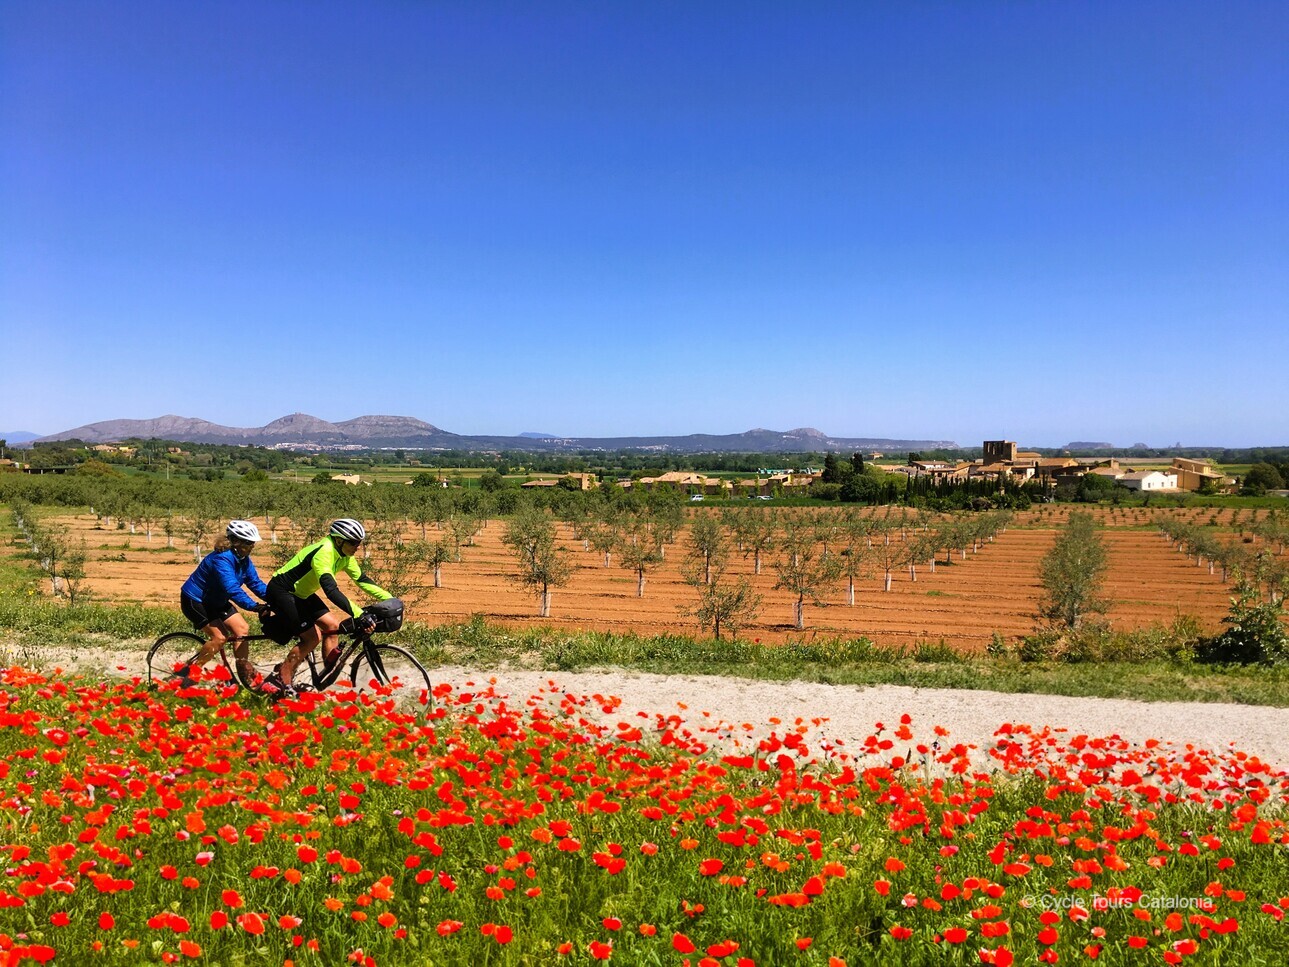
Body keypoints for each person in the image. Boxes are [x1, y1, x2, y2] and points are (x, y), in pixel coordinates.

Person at [260, 518, 392, 698]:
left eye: (360, 542)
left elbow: (362, 580)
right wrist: (359, 614)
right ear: (339, 540)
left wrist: (391, 599)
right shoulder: (325, 552)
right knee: (312, 638)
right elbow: (330, 590)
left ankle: (326, 676)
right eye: (354, 542)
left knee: (333, 627)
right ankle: (280, 680)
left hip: (302, 593)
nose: (358, 547)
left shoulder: (345, 555)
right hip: (282, 591)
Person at [178, 520, 269, 683]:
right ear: (235, 542)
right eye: (248, 543)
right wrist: (254, 606)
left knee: (242, 629)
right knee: (220, 638)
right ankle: (193, 672)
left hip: (216, 600)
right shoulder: (222, 559)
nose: (252, 546)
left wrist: (276, 598)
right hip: (196, 600)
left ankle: (243, 670)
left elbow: (255, 583)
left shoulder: (243, 558)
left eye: (253, 543)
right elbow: (232, 588)